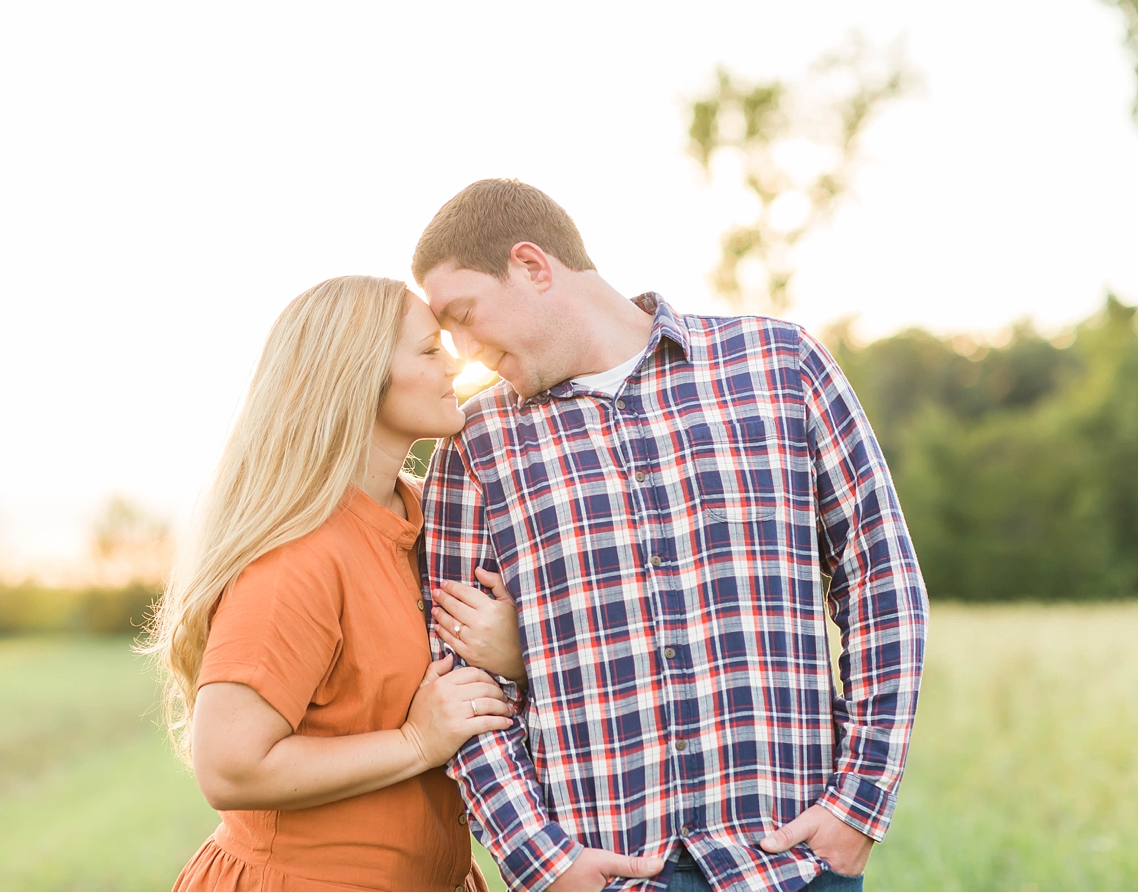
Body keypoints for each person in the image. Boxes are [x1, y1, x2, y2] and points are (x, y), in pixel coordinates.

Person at [414, 179, 929, 892]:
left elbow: (881, 580)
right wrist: (540, 859)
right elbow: (459, 683)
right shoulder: (476, 446)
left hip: (791, 863)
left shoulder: (781, 366)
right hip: (606, 876)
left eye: (464, 316)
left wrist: (861, 803)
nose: (463, 353)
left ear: (533, 266)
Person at [142, 275, 525, 892]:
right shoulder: (300, 555)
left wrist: (515, 656)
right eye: (430, 350)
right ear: (359, 377)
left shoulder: (428, 521)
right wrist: (416, 741)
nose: (455, 363)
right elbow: (230, 767)